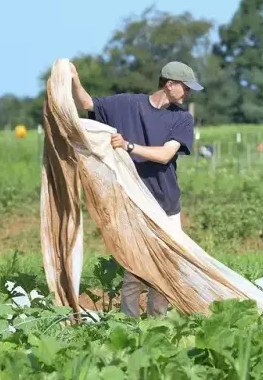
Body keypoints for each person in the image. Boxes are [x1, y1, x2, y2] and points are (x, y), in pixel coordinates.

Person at [69, 60, 203, 318]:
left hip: (165, 203)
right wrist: (73, 78)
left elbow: (165, 155)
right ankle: (129, 324)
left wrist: (129, 147)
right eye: (185, 88)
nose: (188, 94)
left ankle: (158, 323)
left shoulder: (182, 118)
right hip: (131, 203)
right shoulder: (126, 105)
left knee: (166, 264)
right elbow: (87, 104)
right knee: (134, 266)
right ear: (170, 84)